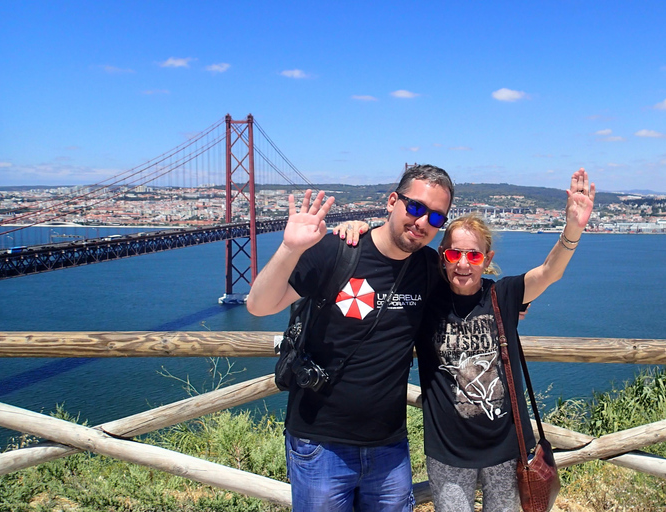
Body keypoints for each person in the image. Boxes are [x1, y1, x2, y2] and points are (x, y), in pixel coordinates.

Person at [340, 168, 595, 511]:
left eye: (473, 256)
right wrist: (358, 230)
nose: (463, 264)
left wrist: (573, 228)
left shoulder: (503, 296)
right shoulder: (426, 297)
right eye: (453, 254)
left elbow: (550, 271)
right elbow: (390, 251)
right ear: (441, 257)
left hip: (507, 449)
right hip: (448, 453)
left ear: (486, 260)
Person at [246, 164, 454, 512]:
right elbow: (258, 305)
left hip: (389, 447)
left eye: (435, 217)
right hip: (320, 442)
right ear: (392, 201)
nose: (421, 222)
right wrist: (290, 248)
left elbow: (472, 296)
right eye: (415, 207)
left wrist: (513, 304)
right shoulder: (337, 251)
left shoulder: (429, 269)